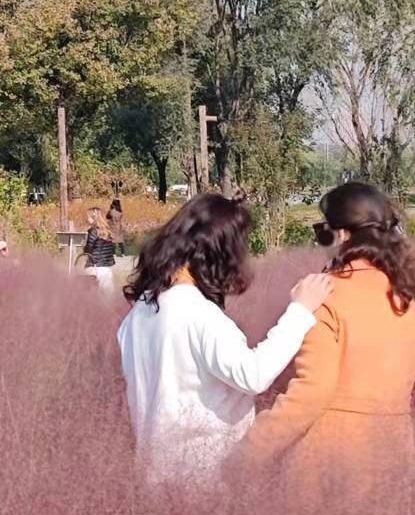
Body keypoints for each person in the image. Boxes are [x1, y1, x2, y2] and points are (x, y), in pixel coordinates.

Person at [238, 182, 415, 512]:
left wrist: (244, 458)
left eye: (321, 232)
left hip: (325, 466)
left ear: (341, 235)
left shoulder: (325, 297)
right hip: (395, 463)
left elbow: (309, 397)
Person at [117, 195, 334, 489]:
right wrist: (300, 309)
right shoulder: (195, 312)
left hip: (156, 477)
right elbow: (253, 376)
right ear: (218, 250)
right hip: (204, 481)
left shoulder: (140, 313)